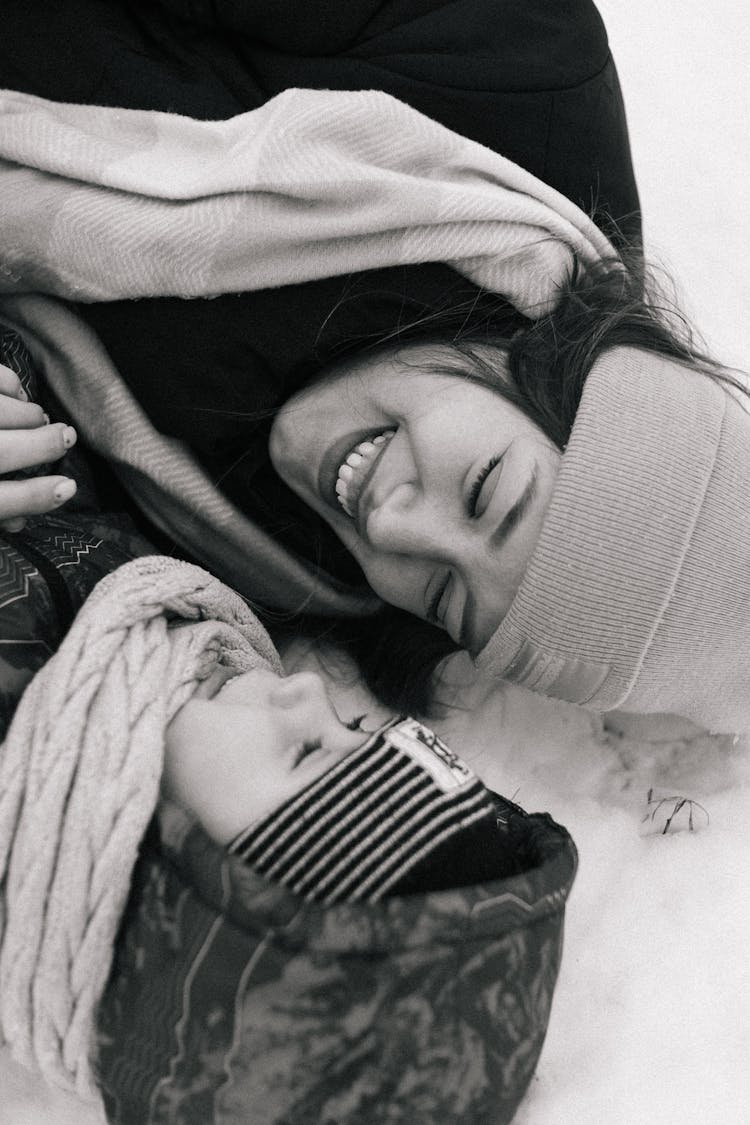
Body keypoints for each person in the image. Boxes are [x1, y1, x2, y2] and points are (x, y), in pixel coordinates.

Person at [0, 552, 577, 1125]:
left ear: (176, 893)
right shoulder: (161, 630)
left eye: (306, 752)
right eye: (352, 724)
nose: (303, 688)